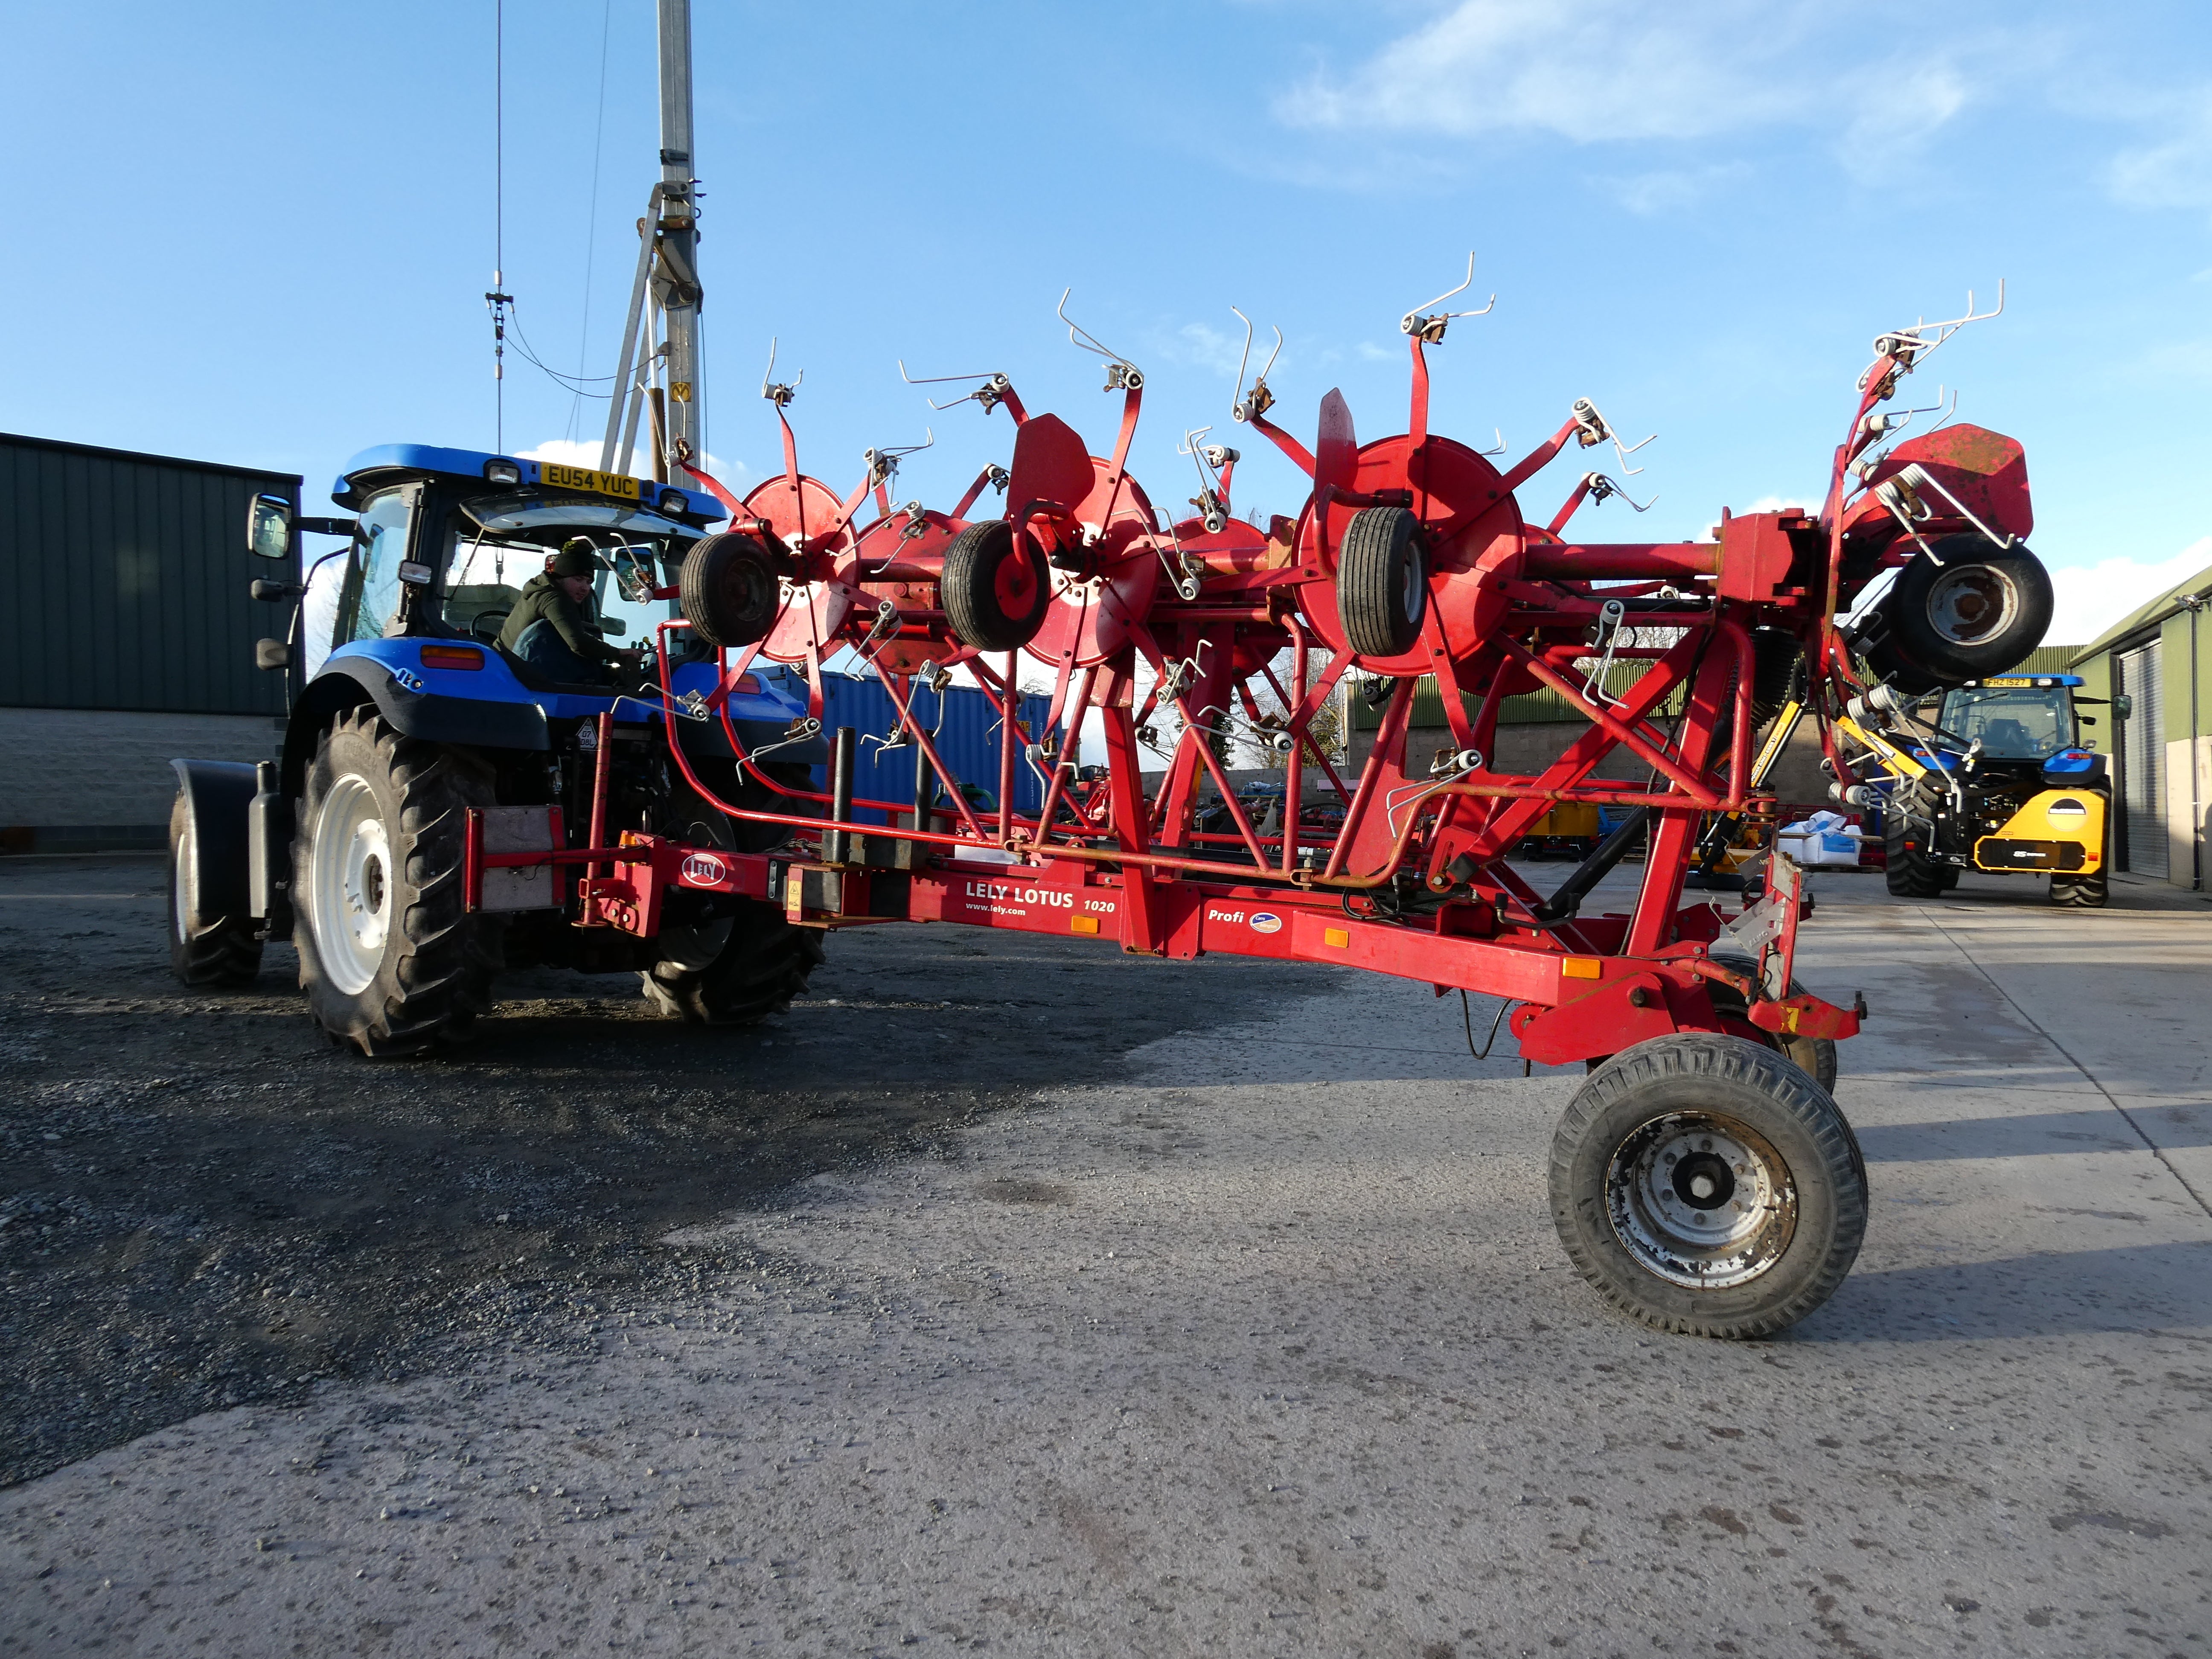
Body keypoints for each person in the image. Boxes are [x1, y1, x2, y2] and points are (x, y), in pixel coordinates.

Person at [496, 540, 644, 684]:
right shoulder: (554, 598)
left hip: (506, 672)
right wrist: (619, 653)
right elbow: (578, 642)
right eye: (578, 579)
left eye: (588, 582)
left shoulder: (539, 592)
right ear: (561, 578)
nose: (585, 588)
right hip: (516, 678)